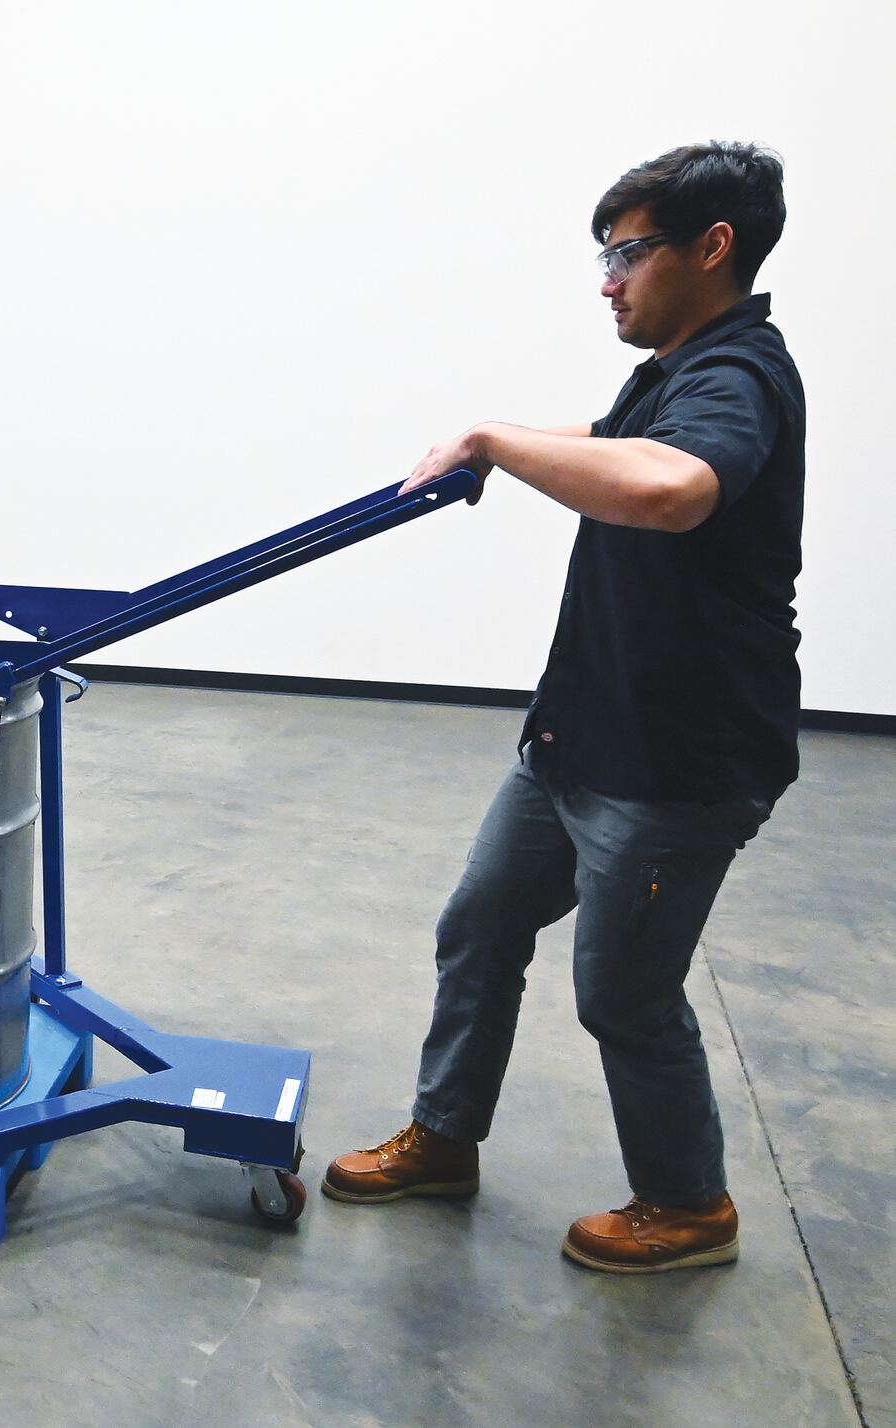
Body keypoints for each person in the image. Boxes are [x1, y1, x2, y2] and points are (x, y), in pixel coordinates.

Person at [322, 141, 805, 1274]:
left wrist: (497, 443)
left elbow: (674, 486)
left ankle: (689, 1206)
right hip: (578, 736)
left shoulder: (740, 374)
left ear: (713, 248)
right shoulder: (678, 367)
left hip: (676, 764)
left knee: (624, 995)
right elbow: (622, 442)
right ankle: (445, 1138)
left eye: (629, 255)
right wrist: (491, 438)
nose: (608, 282)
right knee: (480, 926)